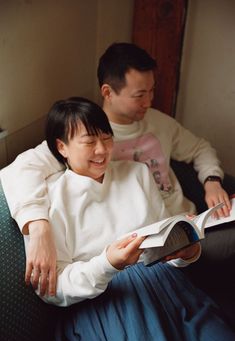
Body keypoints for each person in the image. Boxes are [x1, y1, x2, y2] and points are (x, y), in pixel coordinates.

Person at [0, 42, 233, 296]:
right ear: (108, 92)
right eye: (139, 95)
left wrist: (212, 181)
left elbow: (200, 148)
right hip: (152, 253)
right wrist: (38, 227)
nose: (149, 101)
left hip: (185, 227)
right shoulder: (81, 135)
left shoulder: (156, 123)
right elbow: (21, 168)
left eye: (151, 91)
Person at [26, 96, 235, 341]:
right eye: (89, 142)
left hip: (166, 283)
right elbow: (52, 289)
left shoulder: (137, 172)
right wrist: (107, 264)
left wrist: (186, 253)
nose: (102, 150)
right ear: (62, 147)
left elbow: (166, 246)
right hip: (106, 300)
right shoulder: (50, 201)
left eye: (106, 138)